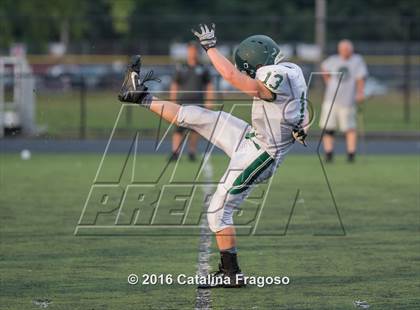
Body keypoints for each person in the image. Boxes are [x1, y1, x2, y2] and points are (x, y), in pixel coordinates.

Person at [118, 24, 308, 288]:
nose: (249, 73)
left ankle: (231, 273)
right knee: (197, 116)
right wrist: (298, 127)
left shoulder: (274, 75)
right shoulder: (292, 71)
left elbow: (232, 76)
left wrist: (210, 48)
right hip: (252, 137)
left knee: (218, 211)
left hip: (263, 153)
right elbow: (302, 111)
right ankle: (140, 96)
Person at [319, 39, 368, 163]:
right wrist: (328, 81)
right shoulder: (334, 60)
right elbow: (323, 67)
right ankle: (329, 153)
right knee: (328, 128)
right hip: (331, 99)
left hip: (348, 100)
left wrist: (360, 92)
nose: (345, 52)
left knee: (349, 128)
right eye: (343, 49)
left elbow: (360, 78)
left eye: (347, 49)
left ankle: (351, 154)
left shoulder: (357, 60)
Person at [170, 42, 214, 162]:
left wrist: (209, 100)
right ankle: (175, 152)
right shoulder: (181, 67)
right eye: (190, 50)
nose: (192, 53)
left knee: (195, 130)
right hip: (183, 102)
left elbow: (209, 85)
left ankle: (191, 152)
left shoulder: (203, 68)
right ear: (187, 51)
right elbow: (175, 84)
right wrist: (173, 100)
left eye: (194, 50)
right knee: (179, 128)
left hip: (198, 102)